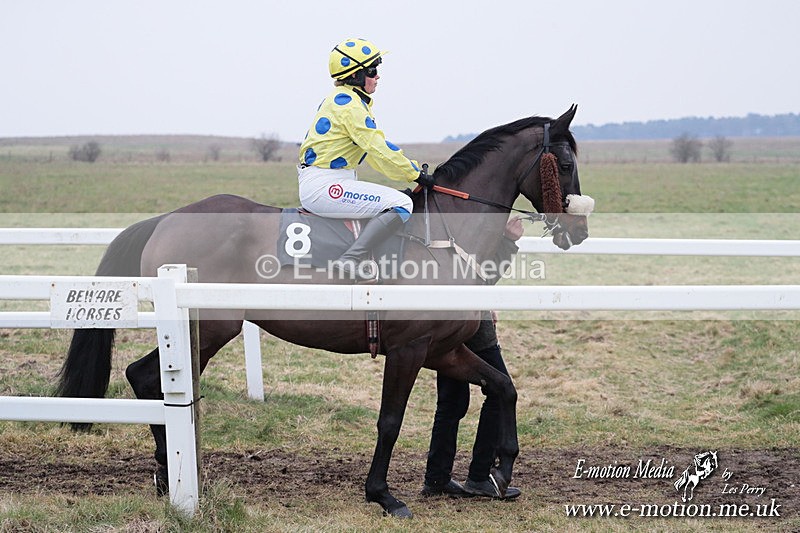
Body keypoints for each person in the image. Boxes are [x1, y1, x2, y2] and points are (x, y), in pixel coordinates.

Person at [297, 38, 434, 282]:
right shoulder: (349, 106)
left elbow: (374, 155)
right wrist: (415, 173)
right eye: (373, 71)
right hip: (324, 186)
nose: (378, 76)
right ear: (356, 76)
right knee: (403, 204)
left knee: (394, 198)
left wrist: (408, 173)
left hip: (327, 181)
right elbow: (379, 147)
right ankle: (351, 259)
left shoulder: (347, 100)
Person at [421, 216, 524, 499]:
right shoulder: (474, 219)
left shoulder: (450, 218)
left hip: (450, 317)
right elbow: (482, 272)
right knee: (501, 391)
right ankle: (480, 476)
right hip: (468, 318)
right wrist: (509, 243)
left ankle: (437, 478)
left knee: (451, 402)